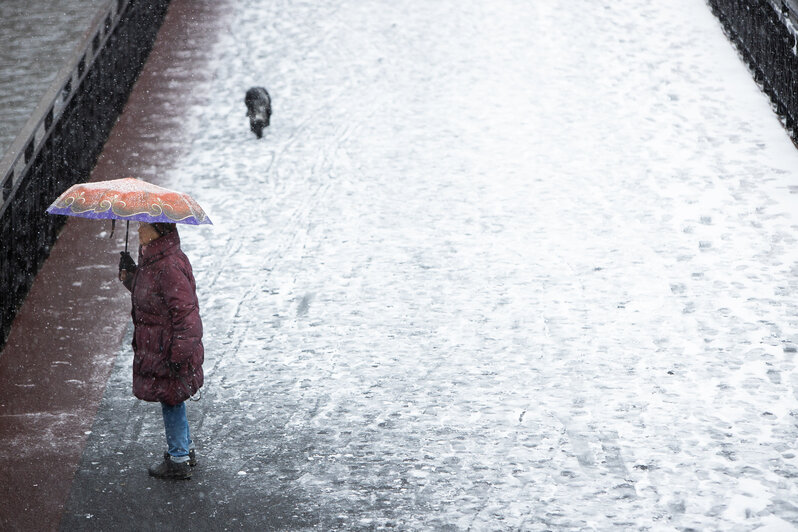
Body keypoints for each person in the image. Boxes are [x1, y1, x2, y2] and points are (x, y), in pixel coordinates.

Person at [119, 221, 204, 480]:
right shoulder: (156, 260)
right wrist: (130, 276)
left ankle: (178, 457)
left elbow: (187, 317)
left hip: (168, 349)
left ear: (158, 230)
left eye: (144, 225)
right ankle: (184, 450)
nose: (138, 229)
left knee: (171, 400)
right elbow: (150, 297)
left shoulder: (167, 266)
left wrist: (177, 357)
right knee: (172, 399)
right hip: (162, 346)